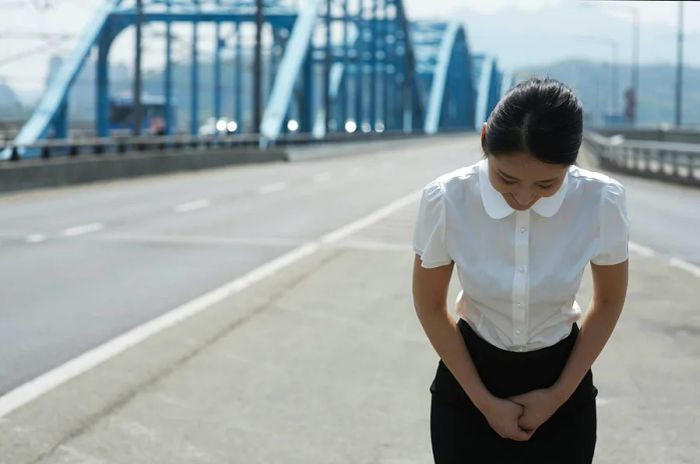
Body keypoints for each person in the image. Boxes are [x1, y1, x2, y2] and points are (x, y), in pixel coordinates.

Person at [411, 77, 629, 463]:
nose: (524, 197)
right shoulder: (447, 198)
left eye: (547, 183)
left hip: (563, 382)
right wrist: (484, 402)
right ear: (484, 140)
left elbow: (609, 300)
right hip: (467, 383)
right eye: (506, 179)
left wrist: (557, 395)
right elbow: (430, 306)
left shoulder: (600, 200)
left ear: (572, 160)